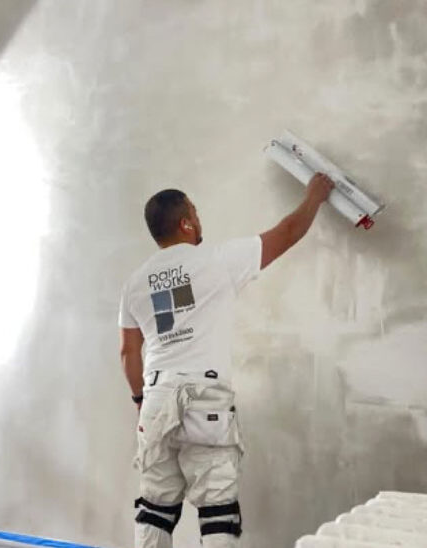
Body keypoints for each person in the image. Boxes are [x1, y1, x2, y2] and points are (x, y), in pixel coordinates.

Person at [119, 173, 334, 548]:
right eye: (195, 212)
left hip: (155, 400)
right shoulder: (216, 261)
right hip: (205, 399)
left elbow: (128, 353)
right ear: (186, 222)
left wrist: (139, 401)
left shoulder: (135, 283)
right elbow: (286, 232)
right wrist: (314, 196)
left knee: (154, 508)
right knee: (217, 511)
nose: (199, 219)